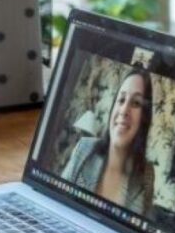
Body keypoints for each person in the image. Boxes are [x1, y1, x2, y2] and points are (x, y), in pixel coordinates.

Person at [62, 66, 156, 215]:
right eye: (121, 100)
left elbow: (143, 229)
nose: (124, 110)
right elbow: (56, 199)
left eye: (136, 103)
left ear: (144, 118)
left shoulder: (147, 174)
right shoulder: (84, 148)